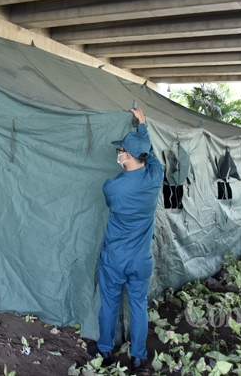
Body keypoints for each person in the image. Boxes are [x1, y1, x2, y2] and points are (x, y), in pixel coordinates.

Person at [90, 108, 164, 371]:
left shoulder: (113, 186)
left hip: (114, 257)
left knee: (109, 305)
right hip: (141, 259)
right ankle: (138, 356)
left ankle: (105, 352)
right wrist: (142, 125)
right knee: (138, 307)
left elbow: (113, 201)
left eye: (120, 150)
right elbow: (152, 156)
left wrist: (141, 126)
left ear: (128, 156)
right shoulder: (156, 177)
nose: (118, 153)